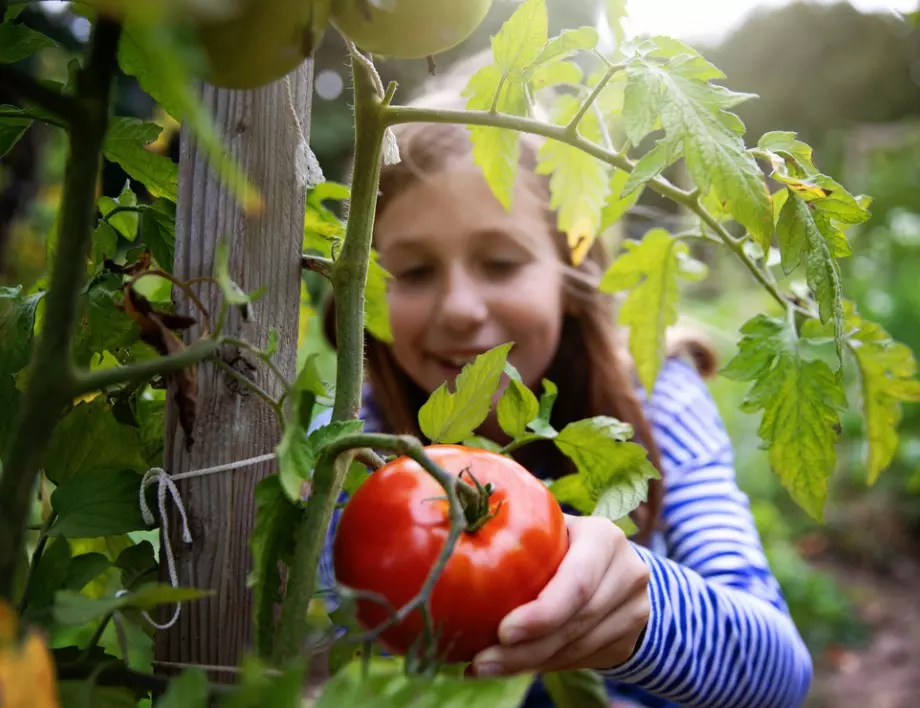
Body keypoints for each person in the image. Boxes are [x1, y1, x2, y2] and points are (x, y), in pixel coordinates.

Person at [308, 59, 813, 708]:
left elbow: (780, 678)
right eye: (412, 271)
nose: (461, 307)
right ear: (361, 289)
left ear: (572, 280)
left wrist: (642, 615)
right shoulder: (347, 442)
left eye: (500, 261)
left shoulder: (657, 397)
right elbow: (349, 631)